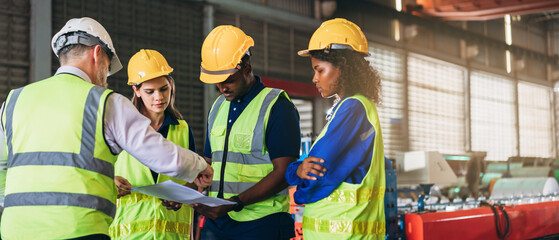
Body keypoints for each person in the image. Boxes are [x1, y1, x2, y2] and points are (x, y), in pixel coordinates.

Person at [0, 17, 212, 240]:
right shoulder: (104, 102)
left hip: (16, 231)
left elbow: (2, 169)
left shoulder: (13, 101)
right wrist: (200, 167)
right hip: (79, 230)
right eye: (108, 68)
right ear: (97, 54)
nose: (106, 78)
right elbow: (158, 152)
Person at [193, 25, 301, 240]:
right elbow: (208, 162)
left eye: (229, 80)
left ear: (246, 67)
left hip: (262, 223)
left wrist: (235, 203)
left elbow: (284, 173)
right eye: (218, 82)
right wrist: (186, 191)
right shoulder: (218, 107)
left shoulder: (277, 106)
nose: (223, 88)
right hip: (218, 222)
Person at [284, 18, 386, 240]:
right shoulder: (353, 108)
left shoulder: (353, 108)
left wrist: (295, 178)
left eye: (320, 70)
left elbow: (316, 171)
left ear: (342, 67)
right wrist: (298, 169)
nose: (314, 78)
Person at [109, 49, 198, 239]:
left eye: (164, 88)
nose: (159, 97)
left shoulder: (183, 129)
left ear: (171, 85)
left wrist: (183, 196)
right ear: (136, 90)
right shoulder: (119, 128)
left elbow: (195, 183)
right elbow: (96, 173)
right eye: (150, 92)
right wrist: (111, 182)